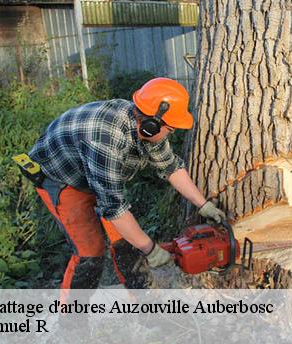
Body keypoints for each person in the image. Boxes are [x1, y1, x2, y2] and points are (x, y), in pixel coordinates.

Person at [23, 77, 226, 289]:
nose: (171, 132)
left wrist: (203, 205)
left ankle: (143, 308)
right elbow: (114, 209)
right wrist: (151, 249)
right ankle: (72, 321)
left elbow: (170, 167)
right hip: (62, 177)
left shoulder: (149, 129)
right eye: (171, 128)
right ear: (151, 124)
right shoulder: (106, 139)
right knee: (90, 254)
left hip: (98, 172)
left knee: (127, 243)